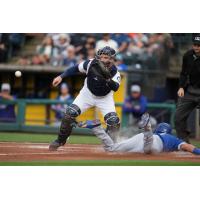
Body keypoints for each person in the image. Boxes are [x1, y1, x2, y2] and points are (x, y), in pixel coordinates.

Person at [49, 46, 121, 150]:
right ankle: (60, 140)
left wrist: (107, 78)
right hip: (87, 94)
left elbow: (115, 88)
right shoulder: (90, 63)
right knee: (69, 114)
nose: (105, 60)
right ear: (98, 58)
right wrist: (61, 76)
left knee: (113, 121)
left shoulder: (115, 72)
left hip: (105, 98)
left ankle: (110, 145)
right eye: (103, 57)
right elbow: (75, 68)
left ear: (112, 59)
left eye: (107, 57)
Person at [79, 113, 200, 155]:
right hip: (155, 144)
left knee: (112, 148)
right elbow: (187, 147)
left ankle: (97, 128)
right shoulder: (174, 139)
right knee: (149, 150)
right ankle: (147, 130)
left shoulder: (161, 135)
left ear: (159, 130)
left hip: (139, 137)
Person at [175, 34, 200, 142]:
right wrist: (181, 87)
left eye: (199, 45)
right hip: (190, 90)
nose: (197, 47)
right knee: (178, 117)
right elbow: (183, 73)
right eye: (195, 44)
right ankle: (184, 143)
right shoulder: (187, 55)